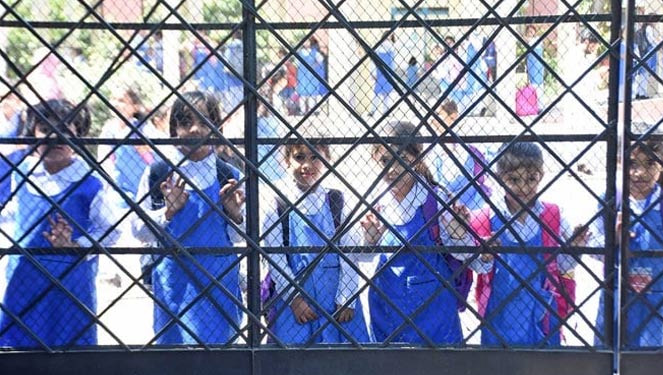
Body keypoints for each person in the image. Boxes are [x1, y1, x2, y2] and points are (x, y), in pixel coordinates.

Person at [0, 99, 122, 348]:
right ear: (33, 132)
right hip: (24, 275)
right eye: (45, 129)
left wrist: (77, 244)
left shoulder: (90, 180)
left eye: (66, 130)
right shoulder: (22, 172)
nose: (55, 136)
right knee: (20, 343)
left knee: (70, 344)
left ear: (78, 134)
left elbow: (111, 229)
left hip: (71, 278)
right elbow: (12, 215)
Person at [131, 91, 246, 345]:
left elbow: (243, 236)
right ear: (174, 129)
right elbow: (138, 230)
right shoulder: (158, 173)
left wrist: (234, 213)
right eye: (186, 122)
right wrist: (168, 212)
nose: (195, 129)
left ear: (218, 127)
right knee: (175, 354)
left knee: (219, 351)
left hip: (218, 280)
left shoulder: (228, 175)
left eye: (205, 122)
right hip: (174, 282)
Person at [360, 121, 473, 345]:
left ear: (417, 158)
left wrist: (458, 234)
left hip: (434, 309)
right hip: (387, 307)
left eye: (401, 159)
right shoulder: (376, 203)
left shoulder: (437, 198)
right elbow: (364, 258)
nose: (391, 168)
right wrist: (370, 239)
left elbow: (464, 254)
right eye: (384, 160)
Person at [472, 142, 588, 347]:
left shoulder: (554, 216)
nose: (524, 188)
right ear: (500, 178)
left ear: (541, 176)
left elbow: (561, 265)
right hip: (499, 314)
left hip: (542, 314)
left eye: (531, 179)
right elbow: (478, 267)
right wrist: (485, 256)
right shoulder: (485, 218)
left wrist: (575, 248)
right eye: (514, 180)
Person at [261, 143, 370, 344]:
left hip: (336, 298)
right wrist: (294, 299)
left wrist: (346, 297)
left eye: (315, 158)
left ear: (327, 159)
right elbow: (276, 259)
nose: (307, 165)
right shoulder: (277, 203)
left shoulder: (336, 200)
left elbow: (349, 251)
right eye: (299, 157)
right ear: (286, 161)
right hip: (298, 302)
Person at [594, 137, 663, 348]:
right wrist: (613, 239)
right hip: (618, 294)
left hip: (661, 299)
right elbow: (594, 248)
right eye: (632, 164)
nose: (639, 173)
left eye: (649, 163)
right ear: (618, 163)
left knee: (655, 362)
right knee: (613, 354)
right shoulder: (611, 199)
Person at [426, 100, 490, 210]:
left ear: (453, 117)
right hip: (444, 199)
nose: (433, 119)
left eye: (438, 115)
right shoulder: (434, 141)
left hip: (468, 200)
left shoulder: (464, 140)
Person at [295, 37, 324, 114]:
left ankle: (311, 110)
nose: (306, 43)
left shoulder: (314, 52)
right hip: (302, 76)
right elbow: (296, 63)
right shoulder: (300, 53)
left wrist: (314, 65)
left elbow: (320, 60)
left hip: (311, 76)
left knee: (311, 93)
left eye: (307, 41)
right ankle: (302, 111)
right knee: (302, 94)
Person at [371, 33, 396, 116]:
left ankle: (374, 110)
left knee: (379, 92)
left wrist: (373, 72)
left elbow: (373, 61)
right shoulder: (389, 47)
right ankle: (382, 111)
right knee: (385, 93)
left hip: (381, 71)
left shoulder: (380, 47)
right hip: (385, 71)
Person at [525, 25, 545, 111]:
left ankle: (540, 106)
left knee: (539, 85)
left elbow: (527, 40)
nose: (530, 33)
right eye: (529, 31)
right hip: (531, 65)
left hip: (538, 65)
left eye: (532, 31)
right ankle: (534, 106)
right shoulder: (531, 41)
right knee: (533, 85)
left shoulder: (536, 40)